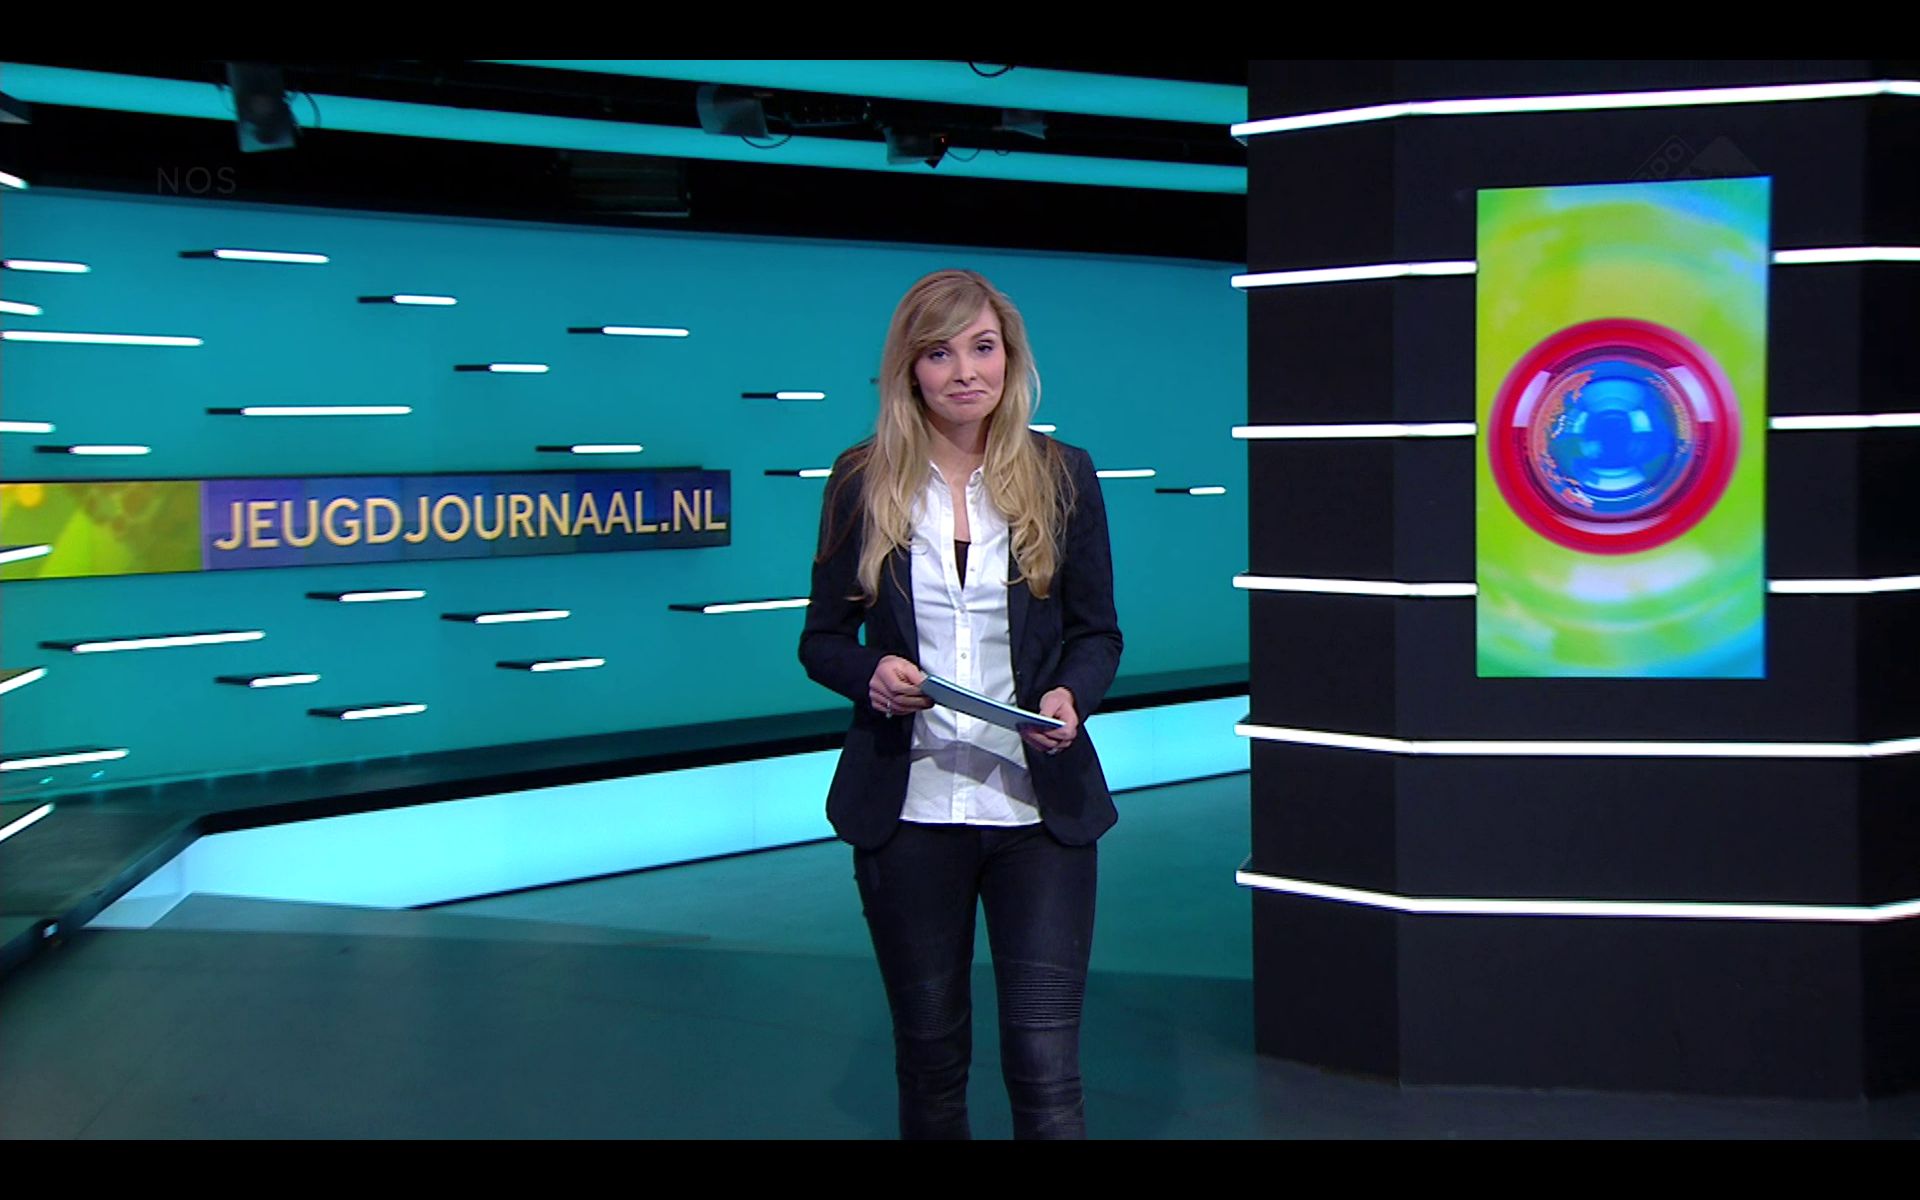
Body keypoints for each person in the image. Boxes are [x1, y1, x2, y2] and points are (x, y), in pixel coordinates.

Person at [798, 268, 1123, 1140]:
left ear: (1010, 358)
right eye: (939, 354)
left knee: (1046, 1069)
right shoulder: (861, 479)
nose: (965, 372)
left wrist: (1072, 695)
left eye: (982, 348)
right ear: (910, 369)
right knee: (931, 1062)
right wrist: (871, 673)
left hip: (1038, 817)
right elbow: (821, 639)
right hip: (908, 814)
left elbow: (1098, 633)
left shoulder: (1063, 474)